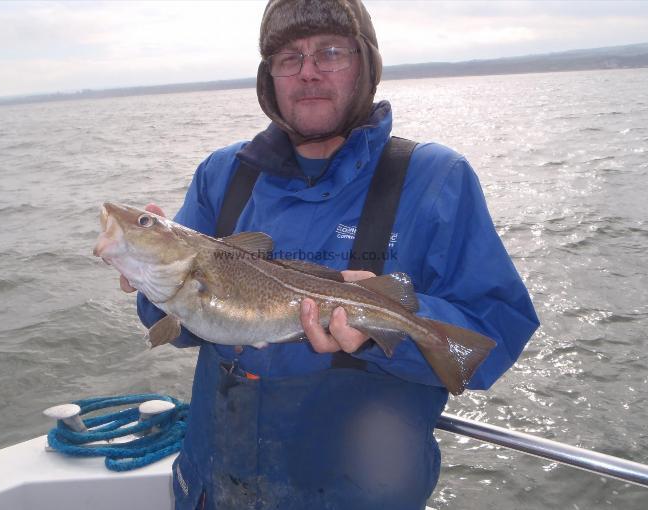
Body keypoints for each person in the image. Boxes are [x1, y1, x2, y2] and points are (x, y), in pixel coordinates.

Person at [123, 1, 540, 508]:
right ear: (268, 77)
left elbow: (494, 334)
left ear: (365, 64)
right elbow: (183, 321)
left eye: (330, 52)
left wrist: (388, 329)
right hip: (214, 490)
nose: (308, 73)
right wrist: (146, 276)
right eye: (288, 58)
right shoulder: (223, 175)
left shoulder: (436, 179)